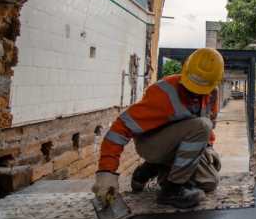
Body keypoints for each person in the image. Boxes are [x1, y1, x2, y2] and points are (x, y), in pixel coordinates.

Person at [92, 48, 224, 208]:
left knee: (210, 182)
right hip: (151, 144)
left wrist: (208, 147)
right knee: (202, 125)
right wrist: (107, 172)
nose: (194, 93)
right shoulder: (164, 93)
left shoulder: (213, 94)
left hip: (179, 145)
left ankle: (151, 169)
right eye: (192, 87)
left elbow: (211, 124)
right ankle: (172, 189)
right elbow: (120, 128)